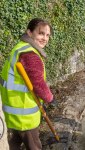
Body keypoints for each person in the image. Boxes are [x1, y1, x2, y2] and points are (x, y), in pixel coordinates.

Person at [0, 18, 54, 150]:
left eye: (47, 35)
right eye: (41, 33)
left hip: (13, 109)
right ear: (29, 33)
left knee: (14, 142)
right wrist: (51, 99)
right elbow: (38, 84)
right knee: (34, 145)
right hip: (24, 114)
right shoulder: (30, 54)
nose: (45, 38)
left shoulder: (20, 47)